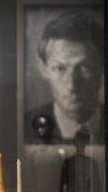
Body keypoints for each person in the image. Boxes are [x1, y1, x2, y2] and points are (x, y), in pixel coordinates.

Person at [25, 11, 103, 141]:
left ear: (102, 67)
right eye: (59, 68)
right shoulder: (25, 127)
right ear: (44, 69)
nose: (71, 85)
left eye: (85, 67)